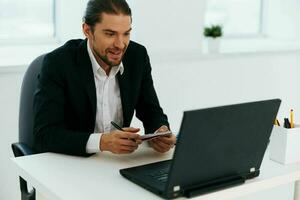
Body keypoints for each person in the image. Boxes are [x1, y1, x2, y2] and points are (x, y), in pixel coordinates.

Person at [33, 0, 176, 157]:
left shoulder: (137, 56)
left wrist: (160, 131)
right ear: (87, 30)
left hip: (115, 163)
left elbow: (151, 111)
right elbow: (44, 135)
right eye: (110, 34)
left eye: (126, 33)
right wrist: (102, 142)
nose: (120, 44)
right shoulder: (58, 63)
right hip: (70, 162)